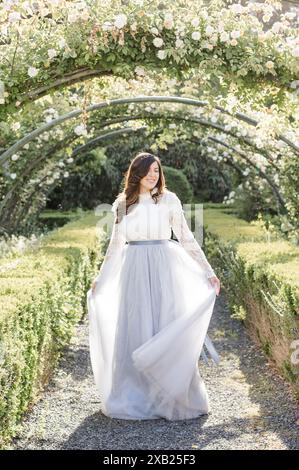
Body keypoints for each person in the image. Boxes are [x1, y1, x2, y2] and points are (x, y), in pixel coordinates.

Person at [87, 152, 221, 421]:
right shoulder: (123, 204)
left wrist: (208, 271)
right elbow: (114, 246)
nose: (153, 175)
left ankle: (171, 394)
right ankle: (135, 392)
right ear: (136, 173)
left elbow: (186, 237)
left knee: (165, 322)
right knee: (135, 326)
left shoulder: (169, 200)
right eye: (148, 171)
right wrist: (100, 279)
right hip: (133, 269)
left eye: (157, 171)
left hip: (163, 266)